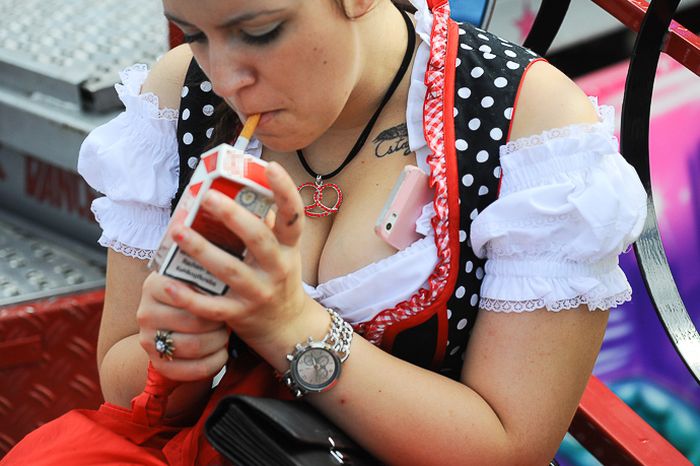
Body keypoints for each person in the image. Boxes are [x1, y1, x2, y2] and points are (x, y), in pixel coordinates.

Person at [3, 0, 647, 464]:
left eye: (259, 31)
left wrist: (285, 323)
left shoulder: (525, 125)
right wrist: (179, 350)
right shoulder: (179, 94)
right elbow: (123, 387)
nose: (226, 78)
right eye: (196, 33)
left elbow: (507, 448)